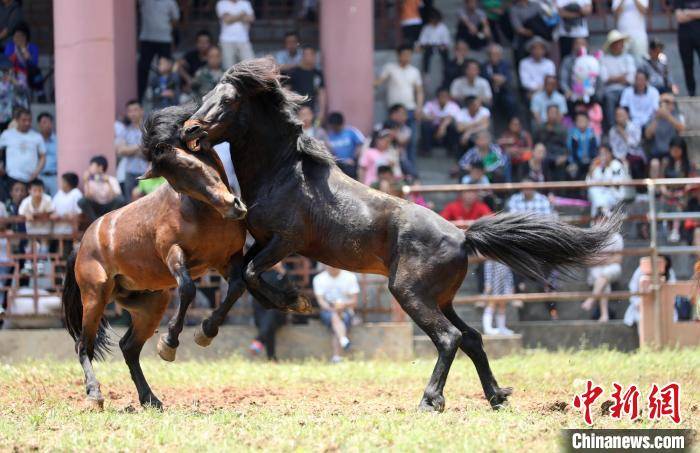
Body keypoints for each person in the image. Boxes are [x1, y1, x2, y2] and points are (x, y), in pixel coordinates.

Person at [375, 45, 423, 172]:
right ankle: (394, 168)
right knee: (391, 140)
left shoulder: (414, 71)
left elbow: (419, 91)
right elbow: (380, 81)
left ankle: (411, 170)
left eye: (409, 54)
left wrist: (419, 108)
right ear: (398, 55)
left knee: (410, 142)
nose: (407, 57)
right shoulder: (390, 68)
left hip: (410, 110)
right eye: (405, 54)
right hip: (394, 111)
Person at [581, 212, 624, 322]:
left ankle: (592, 299)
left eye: (604, 220)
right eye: (599, 220)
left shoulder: (616, 237)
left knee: (603, 276)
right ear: (595, 221)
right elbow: (587, 260)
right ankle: (604, 315)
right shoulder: (589, 238)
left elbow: (618, 259)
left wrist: (599, 259)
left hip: (613, 268)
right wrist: (607, 259)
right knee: (603, 279)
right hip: (597, 270)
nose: (602, 222)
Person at [312, 265, 359, 364]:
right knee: (336, 318)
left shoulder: (350, 277)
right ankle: (342, 340)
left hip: (346, 310)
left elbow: (354, 301)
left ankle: (337, 356)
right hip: (327, 311)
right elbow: (321, 302)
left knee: (336, 325)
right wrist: (333, 309)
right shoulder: (319, 279)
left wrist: (342, 305)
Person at [137, 0, 179, 99]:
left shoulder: (170, 2)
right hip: (146, 38)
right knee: (143, 69)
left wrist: (166, 29)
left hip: (164, 39)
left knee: (166, 69)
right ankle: (140, 97)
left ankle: (168, 96)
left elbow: (175, 19)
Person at [248, 263, 288, 361]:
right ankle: (272, 358)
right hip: (261, 313)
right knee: (269, 325)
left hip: (278, 313)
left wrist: (282, 271)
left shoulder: (283, 272)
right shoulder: (258, 273)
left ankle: (258, 340)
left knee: (273, 310)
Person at [624, 256, 676, 326]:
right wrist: (639, 304)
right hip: (642, 306)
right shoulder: (641, 270)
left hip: (663, 307)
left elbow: (672, 292)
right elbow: (633, 289)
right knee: (642, 320)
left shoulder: (669, 272)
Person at [0, 107, 45, 188]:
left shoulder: (37, 136)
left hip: (31, 178)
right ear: (17, 120)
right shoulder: (7, 134)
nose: (27, 123)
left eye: (29, 120)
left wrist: (36, 172)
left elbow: (43, 157)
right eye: (24, 120)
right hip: (12, 177)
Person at [599, 30, 635, 128]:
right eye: (617, 43)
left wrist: (613, 78)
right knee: (609, 98)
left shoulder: (628, 58)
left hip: (626, 89)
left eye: (621, 43)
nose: (620, 45)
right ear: (611, 45)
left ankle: (631, 127)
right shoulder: (604, 59)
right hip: (610, 90)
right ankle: (612, 128)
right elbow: (604, 78)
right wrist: (621, 77)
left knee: (630, 97)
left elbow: (630, 79)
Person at [114, 100, 146, 200]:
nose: (132, 113)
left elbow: (149, 150)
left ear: (142, 111)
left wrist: (129, 150)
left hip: (146, 172)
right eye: (130, 111)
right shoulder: (125, 131)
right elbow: (120, 150)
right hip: (130, 173)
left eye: (135, 110)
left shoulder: (148, 129)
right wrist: (140, 146)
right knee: (130, 203)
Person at [285, 46, 326, 123]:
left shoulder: (317, 74)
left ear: (314, 56)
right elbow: (286, 91)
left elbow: (321, 94)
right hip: (296, 112)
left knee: (313, 133)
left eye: (310, 54)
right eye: (306, 54)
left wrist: (322, 112)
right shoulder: (293, 73)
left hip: (313, 112)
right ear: (302, 56)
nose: (308, 57)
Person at [78, 156, 125, 223]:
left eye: (92, 165)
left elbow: (115, 197)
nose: (89, 168)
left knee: (120, 199)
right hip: (96, 207)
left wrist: (108, 183)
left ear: (100, 167)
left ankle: (109, 220)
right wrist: (86, 182)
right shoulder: (89, 181)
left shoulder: (112, 179)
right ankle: (95, 222)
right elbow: (88, 197)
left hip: (109, 207)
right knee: (82, 201)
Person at [586, 143, 629, 216]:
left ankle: (602, 211)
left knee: (598, 200)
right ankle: (603, 211)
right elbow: (588, 183)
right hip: (601, 194)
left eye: (605, 153)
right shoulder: (597, 166)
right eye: (601, 154)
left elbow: (616, 184)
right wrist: (591, 171)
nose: (603, 156)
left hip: (614, 194)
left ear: (610, 153)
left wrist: (606, 169)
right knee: (593, 191)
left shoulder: (616, 165)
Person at [482, 44, 517, 124]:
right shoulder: (485, 66)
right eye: (492, 54)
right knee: (487, 104)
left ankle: (512, 123)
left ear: (500, 55)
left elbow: (509, 78)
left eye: (496, 54)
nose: (494, 56)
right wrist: (492, 78)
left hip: (504, 90)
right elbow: (483, 78)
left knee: (511, 101)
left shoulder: (505, 65)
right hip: (490, 91)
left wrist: (503, 79)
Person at [644, 92, 686, 159]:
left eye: (669, 102)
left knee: (666, 161)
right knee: (655, 164)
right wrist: (657, 119)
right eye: (665, 102)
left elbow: (681, 129)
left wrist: (667, 116)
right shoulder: (653, 116)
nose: (666, 104)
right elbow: (648, 135)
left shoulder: (678, 115)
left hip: (672, 150)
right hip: (656, 151)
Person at [420, 87, 461, 155]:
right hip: (433, 128)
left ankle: (452, 149)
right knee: (425, 125)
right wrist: (439, 118)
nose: (443, 98)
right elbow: (423, 115)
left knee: (453, 127)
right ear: (437, 97)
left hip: (446, 129)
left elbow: (451, 118)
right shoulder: (430, 104)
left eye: (445, 96)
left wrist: (442, 126)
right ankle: (426, 149)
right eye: (441, 96)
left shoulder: (453, 106)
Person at [608, 106, 646, 179]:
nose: (619, 117)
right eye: (617, 115)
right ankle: (618, 189)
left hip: (634, 154)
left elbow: (635, 144)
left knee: (636, 165)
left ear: (627, 115)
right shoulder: (612, 131)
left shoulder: (635, 127)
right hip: (619, 157)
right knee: (615, 166)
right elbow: (613, 147)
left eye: (621, 115)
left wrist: (622, 133)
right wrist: (620, 157)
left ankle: (640, 189)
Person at [50, 172, 82, 259]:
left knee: (66, 256)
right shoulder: (59, 194)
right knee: (55, 255)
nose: (61, 184)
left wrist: (67, 216)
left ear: (68, 183)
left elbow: (79, 213)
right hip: (56, 231)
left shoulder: (76, 194)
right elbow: (52, 210)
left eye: (63, 182)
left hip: (69, 232)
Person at [532, 105, 568, 180]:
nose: (553, 115)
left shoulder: (562, 129)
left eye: (555, 113)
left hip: (558, 157)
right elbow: (535, 144)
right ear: (547, 113)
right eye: (551, 112)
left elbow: (565, 147)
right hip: (544, 157)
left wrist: (563, 157)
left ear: (558, 114)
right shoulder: (540, 128)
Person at [217, 0, 255, 69]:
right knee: (228, 69)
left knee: (251, 67)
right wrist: (241, 14)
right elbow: (227, 20)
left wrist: (232, 16)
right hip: (226, 41)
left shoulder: (245, 3)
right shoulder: (222, 3)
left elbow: (251, 19)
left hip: (244, 40)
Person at [326, 112, 365, 178]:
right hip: (336, 165)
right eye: (332, 126)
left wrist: (354, 159)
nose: (334, 128)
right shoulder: (329, 136)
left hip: (351, 165)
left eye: (335, 126)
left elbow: (360, 144)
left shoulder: (351, 132)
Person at [482, 259, 515, 335]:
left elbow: (509, 272)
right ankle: (487, 328)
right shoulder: (491, 256)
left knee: (502, 305)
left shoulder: (505, 257)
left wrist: (511, 285)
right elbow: (488, 269)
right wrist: (488, 282)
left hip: (504, 283)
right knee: (491, 304)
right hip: (493, 282)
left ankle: (502, 328)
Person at [4, 22, 38, 91]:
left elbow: (34, 63)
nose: (17, 38)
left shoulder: (33, 47)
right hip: (13, 71)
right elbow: (7, 61)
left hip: (28, 72)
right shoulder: (10, 46)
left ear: (25, 37)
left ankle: (40, 94)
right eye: (15, 36)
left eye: (20, 36)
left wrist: (23, 49)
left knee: (37, 73)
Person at [676, 0, 700, 95]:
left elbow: (683, 15)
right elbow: (679, 17)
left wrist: (687, 12)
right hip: (685, 37)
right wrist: (696, 13)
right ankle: (691, 92)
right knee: (687, 66)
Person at [416, 8, 451, 74]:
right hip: (429, 47)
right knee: (426, 54)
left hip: (440, 47)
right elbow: (422, 41)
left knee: (446, 53)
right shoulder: (426, 28)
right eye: (433, 19)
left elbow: (446, 42)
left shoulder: (443, 28)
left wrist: (443, 46)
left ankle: (446, 71)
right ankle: (426, 73)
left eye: (435, 19)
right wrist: (424, 46)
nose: (434, 21)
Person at [497, 117, 532, 181]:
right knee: (502, 159)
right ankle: (508, 184)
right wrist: (509, 150)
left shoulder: (525, 135)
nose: (515, 126)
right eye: (513, 124)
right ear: (510, 125)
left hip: (522, 159)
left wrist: (517, 151)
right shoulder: (506, 135)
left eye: (517, 124)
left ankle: (523, 181)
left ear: (520, 125)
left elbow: (530, 149)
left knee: (528, 156)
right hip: (509, 160)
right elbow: (500, 149)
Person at [566, 112, 597, 180]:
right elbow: (570, 149)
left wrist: (593, 161)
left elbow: (594, 150)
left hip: (590, 160)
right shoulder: (572, 133)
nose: (581, 123)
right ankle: (575, 190)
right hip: (576, 161)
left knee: (595, 170)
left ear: (587, 122)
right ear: (576, 122)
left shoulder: (591, 133)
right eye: (579, 121)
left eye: (583, 121)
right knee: (572, 171)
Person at [36, 112, 57, 196]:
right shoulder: (35, 140)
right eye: (44, 122)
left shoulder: (58, 140)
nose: (47, 125)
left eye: (49, 122)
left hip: (54, 176)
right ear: (39, 125)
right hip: (39, 176)